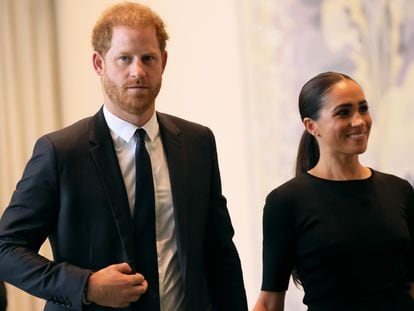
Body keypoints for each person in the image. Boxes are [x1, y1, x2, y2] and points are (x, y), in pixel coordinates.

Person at [0, 2, 247, 311]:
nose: (138, 71)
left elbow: (220, 253)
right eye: (124, 59)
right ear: (99, 64)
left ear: (163, 62)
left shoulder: (198, 143)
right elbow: (6, 249)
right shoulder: (60, 152)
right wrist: (86, 285)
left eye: (148, 58)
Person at [253, 71, 414, 311]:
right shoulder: (286, 202)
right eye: (344, 112)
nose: (359, 121)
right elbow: (269, 303)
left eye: (363, 108)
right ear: (311, 126)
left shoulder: (399, 190)